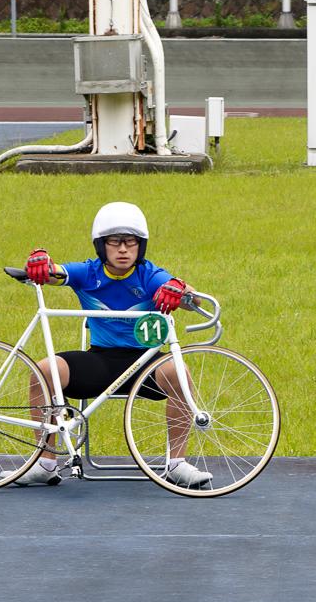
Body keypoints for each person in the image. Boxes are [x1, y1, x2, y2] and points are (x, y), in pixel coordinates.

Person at [17, 201, 211, 489]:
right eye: (114, 242)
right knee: (44, 370)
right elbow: (51, 272)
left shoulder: (149, 273)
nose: (123, 249)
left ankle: (177, 465)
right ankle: (45, 463)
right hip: (99, 362)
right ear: (101, 245)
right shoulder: (87, 272)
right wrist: (39, 262)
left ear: (140, 246)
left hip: (145, 363)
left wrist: (182, 289)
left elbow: (194, 301)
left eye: (131, 242)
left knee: (178, 371)